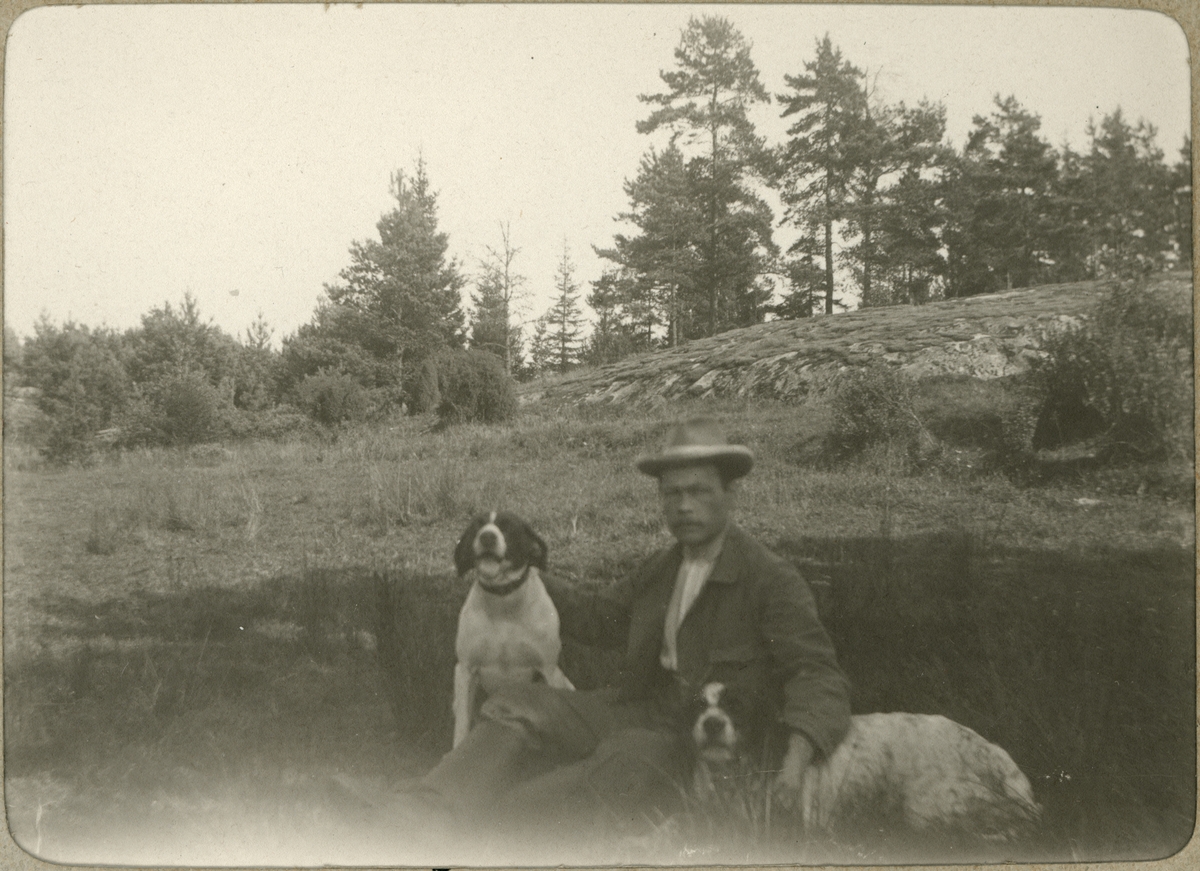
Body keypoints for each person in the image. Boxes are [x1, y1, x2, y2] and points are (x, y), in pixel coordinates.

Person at [411, 417, 851, 854]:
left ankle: (491, 827)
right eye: (672, 493)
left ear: (730, 494)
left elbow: (817, 674)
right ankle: (421, 811)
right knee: (514, 703)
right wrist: (521, 570)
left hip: (690, 736)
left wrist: (794, 763)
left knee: (621, 760)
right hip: (639, 708)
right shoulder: (661, 568)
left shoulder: (770, 579)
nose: (684, 506)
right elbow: (600, 619)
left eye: (698, 491)